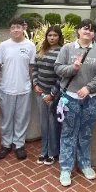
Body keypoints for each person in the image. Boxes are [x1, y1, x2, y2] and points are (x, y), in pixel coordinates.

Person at [54, 19, 96, 187]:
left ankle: (85, 164)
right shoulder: (67, 49)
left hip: (91, 99)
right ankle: (66, 168)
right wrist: (73, 68)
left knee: (86, 132)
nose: (88, 32)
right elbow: (58, 68)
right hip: (69, 98)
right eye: (85, 29)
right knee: (68, 132)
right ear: (78, 31)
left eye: (91, 30)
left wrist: (89, 87)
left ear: (94, 34)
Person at [0, 17, 37, 160]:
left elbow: (31, 67)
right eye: (13, 27)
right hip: (6, 88)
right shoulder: (4, 46)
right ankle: (6, 144)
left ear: (24, 28)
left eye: (18, 27)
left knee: (22, 118)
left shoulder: (30, 46)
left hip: (24, 88)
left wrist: (32, 83)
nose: (16, 30)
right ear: (10, 30)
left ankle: (19, 144)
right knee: (5, 117)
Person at [32, 26, 64, 165]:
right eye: (50, 35)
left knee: (53, 124)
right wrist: (35, 84)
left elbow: (62, 76)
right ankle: (43, 151)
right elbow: (35, 68)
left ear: (59, 37)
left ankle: (52, 153)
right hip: (40, 92)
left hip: (53, 95)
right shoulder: (41, 50)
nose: (52, 38)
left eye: (55, 35)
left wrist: (52, 94)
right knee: (44, 124)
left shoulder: (62, 52)